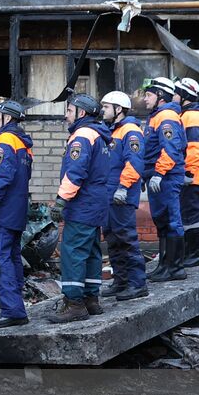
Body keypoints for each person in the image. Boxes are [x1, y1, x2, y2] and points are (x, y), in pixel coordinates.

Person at [51, 93, 114, 323]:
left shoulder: (82, 136)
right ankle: (91, 300)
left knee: (73, 252)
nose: (66, 116)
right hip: (97, 202)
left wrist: (61, 200)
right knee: (92, 251)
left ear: (81, 113)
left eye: (69, 111)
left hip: (82, 203)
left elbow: (75, 172)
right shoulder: (100, 135)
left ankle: (74, 303)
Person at [0, 98, 35, 327]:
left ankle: (12, 310)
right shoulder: (22, 142)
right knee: (11, 259)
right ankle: (14, 306)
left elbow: (2, 175)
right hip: (17, 209)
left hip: (4, 210)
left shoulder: (4, 140)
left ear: (7, 117)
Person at [100, 91, 147, 302]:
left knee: (126, 237)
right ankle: (121, 281)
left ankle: (137, 283)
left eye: (107, 107)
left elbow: (134, 162)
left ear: (119, 109)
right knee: (113, 238)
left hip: (121, 194)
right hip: (109, 194)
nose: (103, 110)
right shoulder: (113, 131)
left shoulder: (130, 131)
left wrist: (123, 187)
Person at [141, 77, 188, 282]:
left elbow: (170, 149)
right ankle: (164, 265)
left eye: (149, 95)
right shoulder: (157, 116)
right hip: (158, 176)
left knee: (171, 219)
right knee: (162, 220)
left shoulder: (166, 116)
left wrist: (159, 173)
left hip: (166, 176)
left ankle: (175, 268)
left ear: (160, 96)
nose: (145, 99)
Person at [175, 76, 199, 270]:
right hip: (189, 173)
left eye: (176, 92)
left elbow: (196, 147)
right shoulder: (187, 114)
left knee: (191, 215)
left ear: (184, 95)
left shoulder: (193, 116)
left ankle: (195, 253)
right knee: (187, 214)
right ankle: (190, 252)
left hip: (193, 174)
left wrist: (188, 172)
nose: (173, 96)